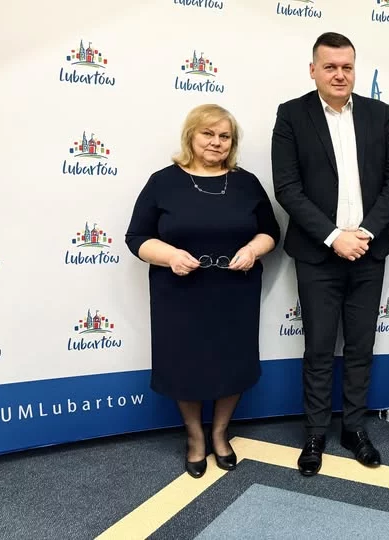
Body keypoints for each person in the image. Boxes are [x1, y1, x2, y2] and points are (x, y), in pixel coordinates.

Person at [270, 32, 389, 477]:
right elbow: (287, 187)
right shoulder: (292, 115)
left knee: (361, 346)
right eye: (329, 67)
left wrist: (364, 232)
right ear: (313, 70)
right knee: (318, 348)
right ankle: (315, 434)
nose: (339, 75)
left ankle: (354, 429)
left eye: (347, 67)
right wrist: (333, 236)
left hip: (368, 250)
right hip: (317, 254)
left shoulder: (377, 113)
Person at [125, 104, 280, 479]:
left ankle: (220, 433)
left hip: (235, 292)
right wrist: (170, 256)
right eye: (208, 133)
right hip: (179, 294)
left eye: (224, 136)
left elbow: (271, 232)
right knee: (186, 365)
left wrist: (253, 250)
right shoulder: (163, 182)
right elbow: (137, 237)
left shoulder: (246, 182)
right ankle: (195, 437)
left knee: (233, 363)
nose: (216, 142)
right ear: (190, 136)